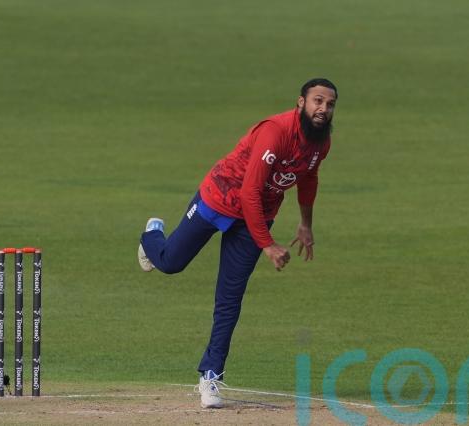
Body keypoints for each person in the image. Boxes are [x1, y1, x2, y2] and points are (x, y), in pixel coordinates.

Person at [138, 78, 338, 408]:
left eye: (330, 104)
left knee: (229, 299)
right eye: (318, 101)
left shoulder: (321, 142)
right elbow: (249, 191)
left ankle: (210, 376)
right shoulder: (275, 131)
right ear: (301, 102)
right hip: (219, 198)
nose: (324, 109)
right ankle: (152, 234)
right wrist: (267, 244)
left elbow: (308, 178)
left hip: (257, 216)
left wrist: (305, 223)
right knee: (171, 262)